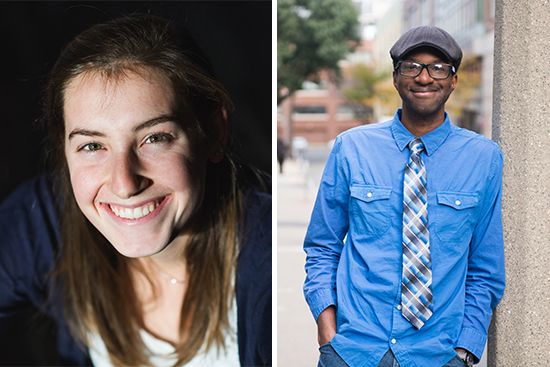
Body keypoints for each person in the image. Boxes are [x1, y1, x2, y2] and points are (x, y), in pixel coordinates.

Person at [0, 14, 271, 366]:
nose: (124, 184)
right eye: (92, 146)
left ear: (214, 134)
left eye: (154, 138)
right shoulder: (43, 222)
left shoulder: (270, 266)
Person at [303, 26, 504, 367]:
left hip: (440, 355)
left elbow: (484, 265)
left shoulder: (483, 158)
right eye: (412, 66)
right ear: (396, 78)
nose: (424, 77)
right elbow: (323, 246)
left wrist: (466, 349)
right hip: (353, 351)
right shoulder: (352, 148)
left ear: (453, 80)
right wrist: (327, 328)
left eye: (438, 67)